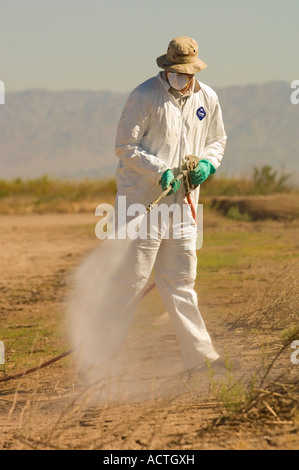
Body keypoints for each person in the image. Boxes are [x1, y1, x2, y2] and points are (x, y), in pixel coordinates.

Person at [77, 36, 228, 381]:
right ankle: (97, 362)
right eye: (175, 72)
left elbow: (217, 140)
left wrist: (207, 164)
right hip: (143, 206)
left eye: (186, 72)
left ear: (195, 69)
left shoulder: (208, 98)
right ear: (166, 69)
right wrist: (160, 172)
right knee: (131, 281)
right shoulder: (144, 96)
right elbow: (124, 146)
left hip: (185, 206)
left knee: (181, 281)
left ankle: (200, 360)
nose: (181, 78)